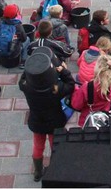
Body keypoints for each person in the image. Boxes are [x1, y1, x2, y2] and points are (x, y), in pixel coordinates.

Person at [20, 52, 75, 182]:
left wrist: (30, 68)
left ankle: (38, 172)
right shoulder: (55, 88)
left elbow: (23, 78)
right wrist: (64, 72)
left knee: (38, 146)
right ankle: (55, 170)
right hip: (54, 122)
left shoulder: (26, 86)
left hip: (37, 121)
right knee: (54, 145)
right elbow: (71, 85)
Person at [71, 54, 111, 126]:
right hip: (103, 118)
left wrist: (76, 90)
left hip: (87, 120)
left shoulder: (86, 87)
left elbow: (76, 105)